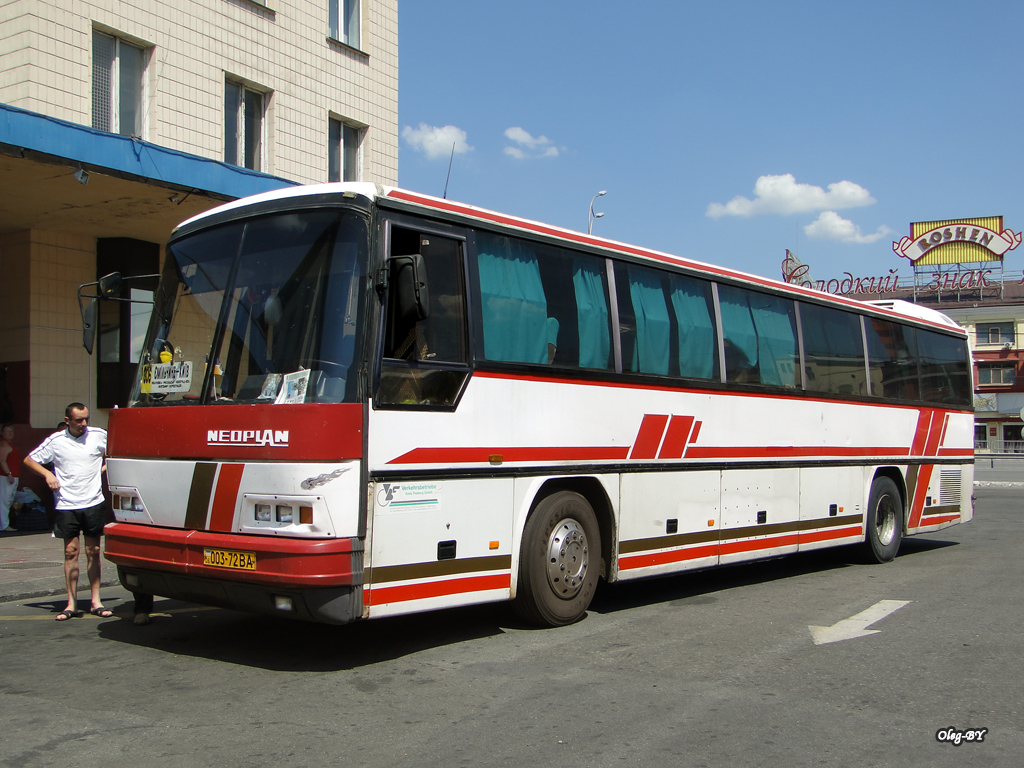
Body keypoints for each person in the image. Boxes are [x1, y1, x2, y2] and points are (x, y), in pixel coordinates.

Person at [22, 403, 114, 621]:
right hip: (67, 504)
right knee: (70, 552)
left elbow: (119, 450)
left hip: (93, 501)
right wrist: (47, 475)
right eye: (79, 420)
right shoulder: (56, 441)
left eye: (86, 419)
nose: (84, 424)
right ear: (67, 421)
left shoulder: (98, 435)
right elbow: (29, 460)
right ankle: (71, 603)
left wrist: (104, 468)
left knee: (93, 551)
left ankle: (96, 601)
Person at [0, 423, 20, 532]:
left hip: (11, 476)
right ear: (2, 433)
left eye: (11, 431)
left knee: (7, 500)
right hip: (5, 477)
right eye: (7, 431)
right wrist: (9, 474)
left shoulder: (8, 444)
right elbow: (2, 460)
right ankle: (4, 525)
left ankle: (3, 524)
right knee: (4, 501)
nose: (10, 433)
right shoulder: (3, 444)